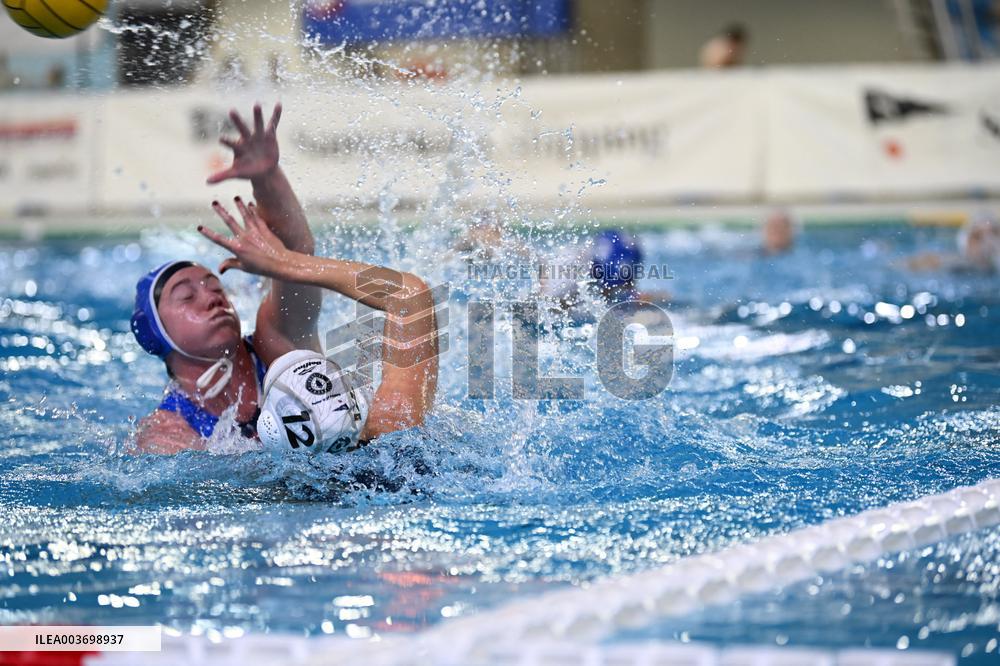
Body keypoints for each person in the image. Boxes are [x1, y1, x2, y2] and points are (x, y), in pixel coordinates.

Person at [131, 103, 438, 453]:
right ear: (155, 333)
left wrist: (266, 181)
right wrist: (285, 262)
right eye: (186, 297)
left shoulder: (276, 342)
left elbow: (298, 250)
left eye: (216, 286)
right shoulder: (168, 435)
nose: (211, 297)